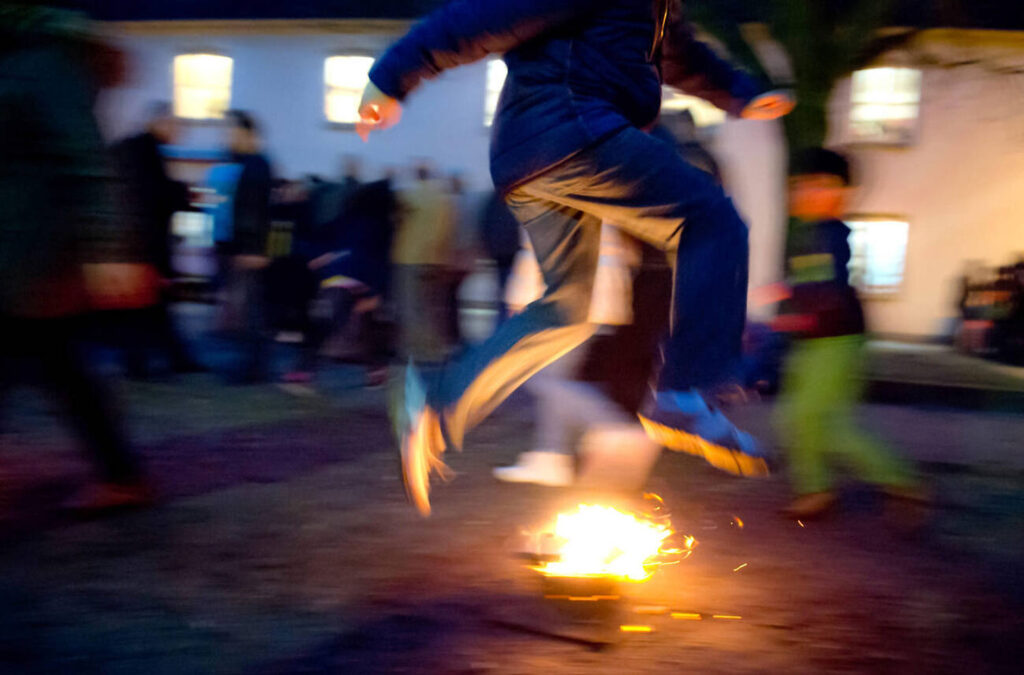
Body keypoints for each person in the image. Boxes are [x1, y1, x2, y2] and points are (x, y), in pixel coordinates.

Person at [357, 0, 794, 515]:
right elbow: (484, 16)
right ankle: (686, 392)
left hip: (541, 155)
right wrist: (391, 77)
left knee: (569, 308)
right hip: (573, 130)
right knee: (710, 221)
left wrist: (741, 93)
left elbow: (676, 52)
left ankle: (438, 397)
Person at [0, 3, 153, 511]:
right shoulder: (25, 59)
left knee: (58, 361)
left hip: (33, 253)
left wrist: (108, 249)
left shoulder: (43, 63)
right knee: (59, 364)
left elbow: (86, 160)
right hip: (22, 250)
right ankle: (121, 473)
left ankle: (122, 475)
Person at [766, 148, 924, 519]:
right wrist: (786, 297)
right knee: (798, 418)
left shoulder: (833, 235)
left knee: (818, 420)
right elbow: (807, 285)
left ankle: (900, 482)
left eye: (819, 186)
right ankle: (816, 489)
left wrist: (794, 313)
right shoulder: (809, 235)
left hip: (836, 340)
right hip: (813, 341)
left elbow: (829, 289)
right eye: (800, 186)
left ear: (842, 193)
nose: (806, 193)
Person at [111, 102, 204, 377]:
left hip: (133, 243)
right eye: (175, 125)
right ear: (160, 122)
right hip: (145, 245)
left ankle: (165, 360)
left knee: (152, 307)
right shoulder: (147, 151)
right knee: (150, 305)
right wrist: (184, 196)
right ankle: (147, 362)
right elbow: (155, 196)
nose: (179, 132)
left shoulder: (131, 149)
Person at [220, 110, 274, 384]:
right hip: (249, 248)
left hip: (251, 251)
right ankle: (253, 366)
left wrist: (253, 250)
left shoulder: (256, 166)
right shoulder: (255, 164)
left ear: (246, 133)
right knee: (251, 308)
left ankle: (253, 368)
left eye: (231, 131)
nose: (227, 137)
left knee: (252, 309)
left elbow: (256, 213)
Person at [392, 162, 457, 362]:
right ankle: (434, 350)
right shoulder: (443, 200)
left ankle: (415, 351)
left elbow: (396, 219)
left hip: (409, 257)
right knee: (430, 307)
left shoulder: (409, 196)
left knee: (410, 307)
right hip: (435, 260)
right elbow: (448, 230)